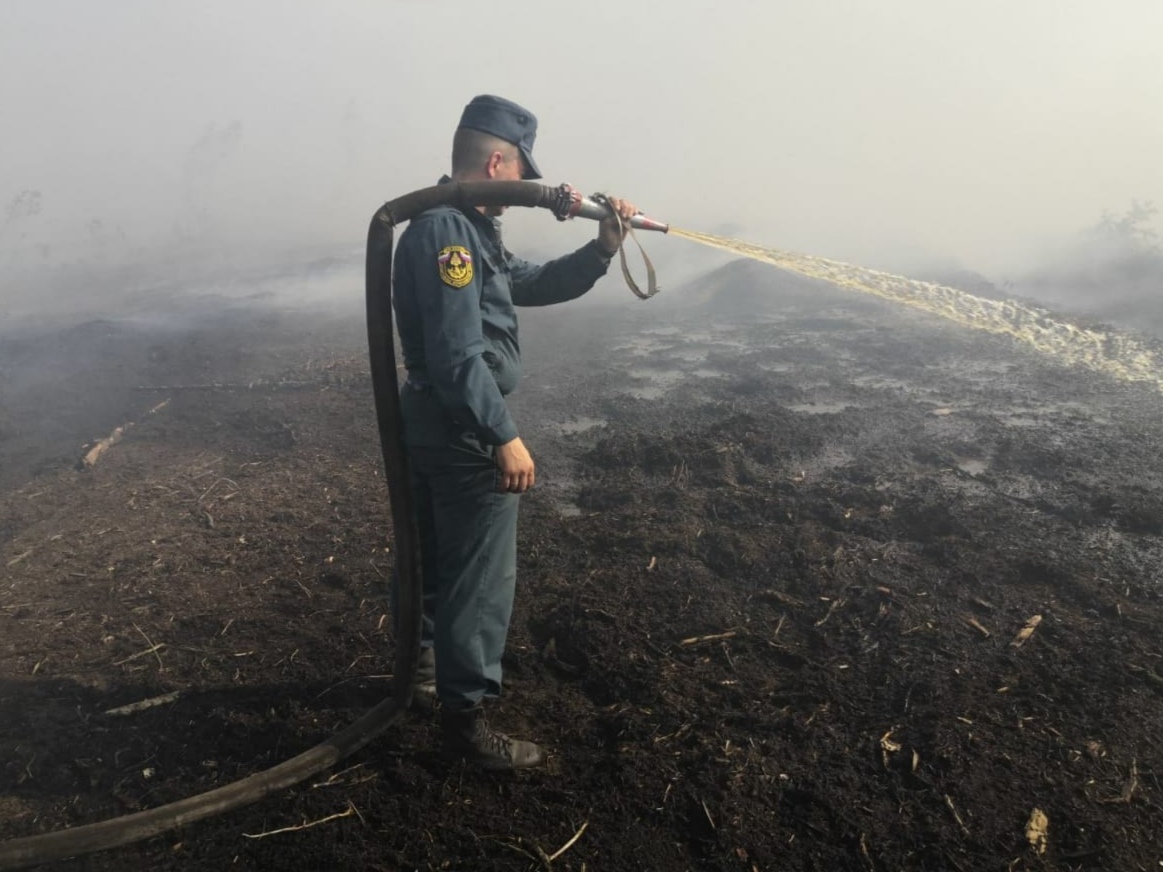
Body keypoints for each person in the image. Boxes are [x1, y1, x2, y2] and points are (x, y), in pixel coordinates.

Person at [390, 94, 638, 770]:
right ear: (500, 161)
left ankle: (417, 680)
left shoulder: (466, 228)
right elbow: (456, 354)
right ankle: (465, 725)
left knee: (435, 563)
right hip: (464, 428)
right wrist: (502, 434)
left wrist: (600, 250)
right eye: (523, 168)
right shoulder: (446, 231)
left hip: (442, 420)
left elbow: (526, 284)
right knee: (478, 577)